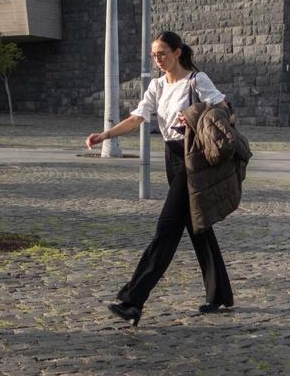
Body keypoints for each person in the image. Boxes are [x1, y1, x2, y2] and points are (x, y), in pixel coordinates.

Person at [86, 30, 235, 326]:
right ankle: (220, 294)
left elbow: (225, 109)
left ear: (177, 52)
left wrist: (194, 115)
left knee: (166, 229)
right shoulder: (156, 85)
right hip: (172, 158)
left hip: (195, 158)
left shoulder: (196, 80)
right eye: (154, 55)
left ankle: (133, 300)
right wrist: (105, 134)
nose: (157, 59)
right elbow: (138, 118)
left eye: (162, 53)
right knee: (197, 226)